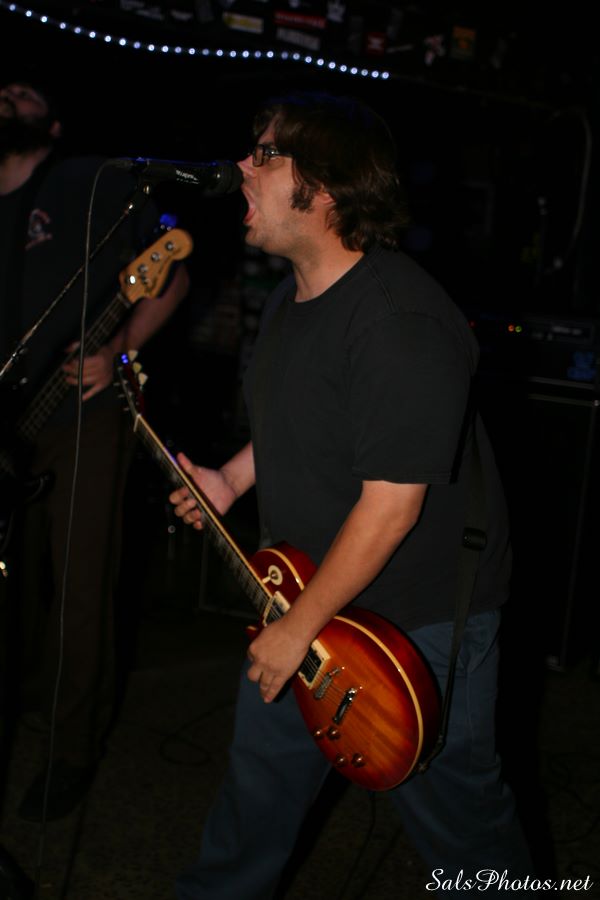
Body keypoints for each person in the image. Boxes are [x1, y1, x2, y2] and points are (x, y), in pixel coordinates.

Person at [169, 91, 534, 898]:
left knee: (465, 837)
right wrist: (232, 478)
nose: (242, 166)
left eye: (266, 153)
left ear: (328, 184)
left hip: (416, 625)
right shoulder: (293, 298)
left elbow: (392, 505)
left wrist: (298, 628)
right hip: (306, 601)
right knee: (254, 806)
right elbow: (311, 420)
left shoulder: (401, 319)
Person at [0, 75, 189, 825]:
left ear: (53, 125)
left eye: (23, 91)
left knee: (80, 587)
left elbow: (170, 274)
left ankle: (73, 750)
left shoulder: (86, 182)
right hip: (4, 430)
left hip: (81, 416)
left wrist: (119, 349)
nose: (7, 94)